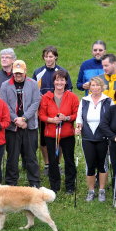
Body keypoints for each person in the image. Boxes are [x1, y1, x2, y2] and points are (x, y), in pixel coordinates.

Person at [0, 60, 41, 187]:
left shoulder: (33, 84)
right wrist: (16, 120)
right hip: (12, 127)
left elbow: (36, 102)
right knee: (12, 157)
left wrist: (24, 118)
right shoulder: (5, 85)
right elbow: (4, 105)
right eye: (16, 73)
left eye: (20, 74)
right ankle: (11, 183)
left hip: (29, 126)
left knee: (31, 156)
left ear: (25, 72)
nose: (18, 76)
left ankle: (34, 183)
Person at [33, 46, 73, 174]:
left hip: (61, 109)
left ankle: (57, 162)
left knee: (60, 137)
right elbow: (33, 89)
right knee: (45, 139)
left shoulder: (62, 71)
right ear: (43, 57)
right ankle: (47, 164)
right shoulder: (38, 72)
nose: (49, 59)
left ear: (55, 56)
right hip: (44, 110)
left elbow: (69, 89)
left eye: (51, 56)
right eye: (46, 56)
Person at [39, 70, 79, 193]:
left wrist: (66, 118)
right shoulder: (46, 97)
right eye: (57, 80)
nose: (59, 82)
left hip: (67, 134)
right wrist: (51, 120)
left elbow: (76, 114)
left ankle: (70, 186)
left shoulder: (72, 97)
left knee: (69, 160)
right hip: (51, 135)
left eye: (62, 80)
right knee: (53, 160)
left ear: (66, 82)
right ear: (53, 81)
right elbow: (41, 115)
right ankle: (54, 186)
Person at [75, 76, 111, 202]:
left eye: (97, 85)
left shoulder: (108, 100)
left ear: (102, 87)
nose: (95, 87)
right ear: (89, 87)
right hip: (87, 137)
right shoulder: (84, 100)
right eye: (93, 85)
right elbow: (79, 117)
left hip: (103, 137)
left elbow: (110, 118)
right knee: (90, 164)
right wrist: (78, 125)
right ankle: (91, 191)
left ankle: (101, 190)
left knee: (102, 164)